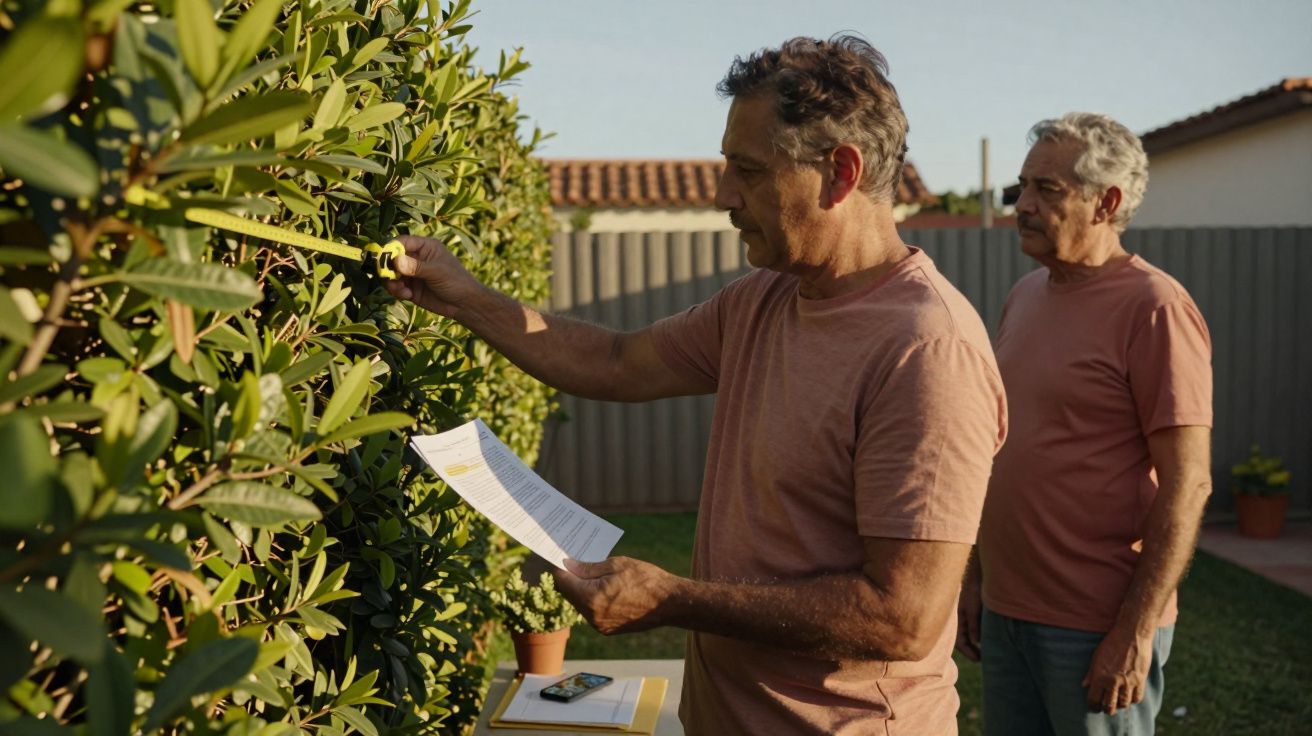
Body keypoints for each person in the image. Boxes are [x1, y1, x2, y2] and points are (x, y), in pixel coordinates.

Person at [389, 36, 1006, 735]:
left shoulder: (926, 349)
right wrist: (465, 298)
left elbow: (901, 619)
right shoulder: (764, 300)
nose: (723, 197)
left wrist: (677, 600)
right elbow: (618, 361)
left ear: (839, 173)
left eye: (746, 171)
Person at [956, 113, 1213, 736]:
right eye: (1021, 188)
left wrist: (1134, 630)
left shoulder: (1156, 308)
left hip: (1095, 623)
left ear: (1108, 202)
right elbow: (1000, 451)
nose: (1024, 205)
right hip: (1008, 609)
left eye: (1048, 190)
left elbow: (1188, 484)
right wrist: (974, 580)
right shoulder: (1024, 296)